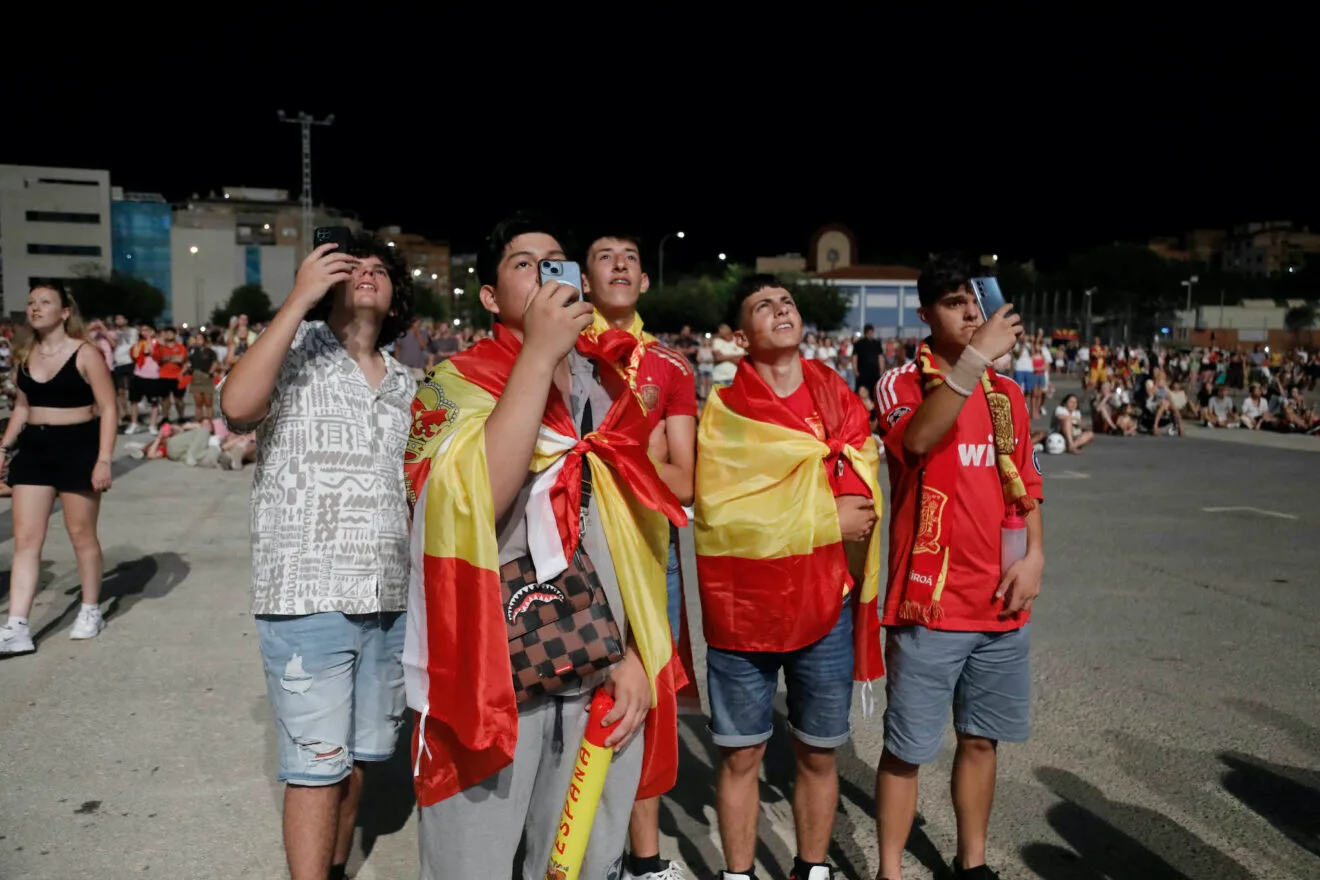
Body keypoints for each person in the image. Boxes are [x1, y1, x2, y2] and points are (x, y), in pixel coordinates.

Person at [403, 214, 685, 879]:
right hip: (490, 679)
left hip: (596, 664)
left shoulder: (609, 385)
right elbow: (475, 500)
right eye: (524, 264)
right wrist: (536, 354)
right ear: (492, 299)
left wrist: (639, 651)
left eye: (556, 262)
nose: (546, 273)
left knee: (581, 860)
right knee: (474, 859)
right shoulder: (452, 385)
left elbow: (638, 534)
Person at [220, 231, 417, 880]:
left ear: (395, 298)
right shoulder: (294, 352)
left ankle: (332, 868)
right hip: (305, 594)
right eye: (349, 266)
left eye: (379, 270)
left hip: (390, 597)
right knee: (314, 766)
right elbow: (238, 407)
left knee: (361, 756)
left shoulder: (416, 384)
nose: (366, 275)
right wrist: (297, 300)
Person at [694, 274, 886, 880]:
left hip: (826, 603)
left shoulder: (838, 397)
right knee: (740, 757)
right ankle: (739, 873)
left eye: (786, 302)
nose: (780, 309)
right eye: (762, 305)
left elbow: (864, 495)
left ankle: (813, 868)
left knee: (819, 753)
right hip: (742, 609)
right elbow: (723, 518)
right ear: (741, 335)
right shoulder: (725, 413)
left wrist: (831, 518)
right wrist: (824, 518)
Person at [873, 256, 1043, 880]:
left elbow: (1026, 483)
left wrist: (1037, 557)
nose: (972, 314)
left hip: (1000, 598)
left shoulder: (1010, 396)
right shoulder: (902, 384)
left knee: (980, 741)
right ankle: (890, 869)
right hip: (931, 599)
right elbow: (917, 440)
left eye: (977, 302)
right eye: (954, 303)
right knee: (907, 749)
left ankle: (972, 864)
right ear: (926, 316)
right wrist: (975, 362)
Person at [581, 232, 699, 880]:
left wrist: (617, 455)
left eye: (630, 258)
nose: (621, 265)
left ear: (644, 282)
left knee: (646, 703)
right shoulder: (567, 352)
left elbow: (686, 477)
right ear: (584, 277)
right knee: (573, 702)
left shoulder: (671, 367)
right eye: (606, 257)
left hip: (653, 559)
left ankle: (644, 864)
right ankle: (569, 849)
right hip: (575, 554)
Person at [0, 284, 117, 656]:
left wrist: (103, 459)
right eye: (31, 301)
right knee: (26, 540)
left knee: (81, 534)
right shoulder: (25, 352)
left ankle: (90, 608)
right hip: (34, 449)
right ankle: (17, 626)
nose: (35, 308)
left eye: (45, 302)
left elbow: (109, 408)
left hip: (77, 447)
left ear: (65, 312)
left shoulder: (85, 353)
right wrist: (3, 447)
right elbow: (22, 406)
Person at [852, 323, 883, 396]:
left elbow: (880, 357)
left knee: (874, 393)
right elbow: (854, 358)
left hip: (875, 372)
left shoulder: (877, 343)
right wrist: (855, 371)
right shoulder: (858, 344)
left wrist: (881, 370)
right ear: (865, 333)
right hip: (862, 372)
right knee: (861, 392)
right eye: (869, 332)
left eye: (872, 332)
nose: (870, 334)